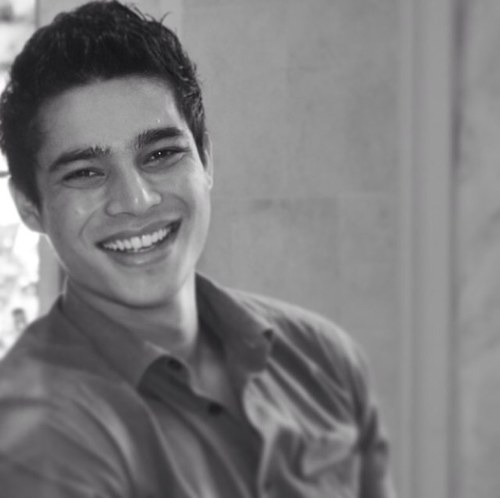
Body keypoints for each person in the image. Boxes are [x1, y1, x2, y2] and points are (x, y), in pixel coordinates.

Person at [0, 2, 396, 497]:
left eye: (161, 154)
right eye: (85, 173)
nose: (137, 200)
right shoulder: (33, 437)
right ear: (30, 206)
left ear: (206, 160)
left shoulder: (322, 358)